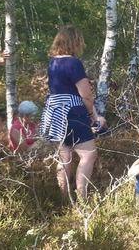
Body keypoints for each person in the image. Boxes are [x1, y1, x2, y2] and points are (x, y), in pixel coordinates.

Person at [39, 26, 105, 199]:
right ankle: (82, 199)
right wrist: (93, 116)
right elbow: (86, 96)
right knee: (89, 155)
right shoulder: (74, 63)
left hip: (55, 113)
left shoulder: (53, 62)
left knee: (64, 156)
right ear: (75, 42)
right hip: (73, 112)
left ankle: (63, 197)